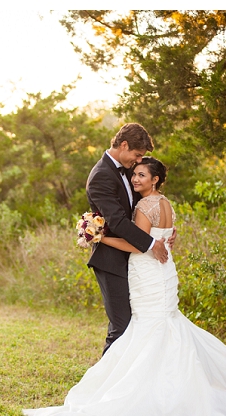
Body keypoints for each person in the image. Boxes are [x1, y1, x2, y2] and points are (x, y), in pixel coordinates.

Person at [23, 157, 226, 416]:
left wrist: (101, 237)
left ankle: (142, 403)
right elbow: (161, 237)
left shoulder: (143, 207)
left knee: (148, 329)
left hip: (147, 272)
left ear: (155, 180)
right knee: (164, 327)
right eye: (134, 174)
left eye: (141, 175)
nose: (136, 180)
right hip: (163, 272)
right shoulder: (166, 204)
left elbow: (138, 245)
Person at [85, 123, 175, 355]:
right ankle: (107, 385)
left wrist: (162, 232)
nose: (137, 161)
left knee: (137, 323)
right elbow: (116, 221)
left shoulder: (127, 170)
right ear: (123, 145)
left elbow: (141, 210)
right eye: (136, 155)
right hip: (112, 261)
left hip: (136, 262)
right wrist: (151, 243)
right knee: (121, 326)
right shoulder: (101, 176)